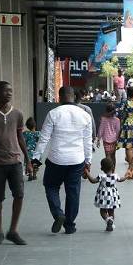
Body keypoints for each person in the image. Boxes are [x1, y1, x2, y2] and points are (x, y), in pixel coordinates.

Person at [32, 86, 93, 235]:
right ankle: (70, 225)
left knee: (51, 186)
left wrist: (36, 158)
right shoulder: (85, 115)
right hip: (77, 160)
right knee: (73, 192)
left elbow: (44, 138)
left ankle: (58, 214)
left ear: (60, 97)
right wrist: (88, 160)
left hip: (56, 159)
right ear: (74, 97)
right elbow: (88, 140)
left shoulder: (53, 114)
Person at [0, 81, 32, 245]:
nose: (9, 93)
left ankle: (13, 231)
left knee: (19, 195)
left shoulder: (17, 114)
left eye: (11, 90)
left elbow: (20, 137)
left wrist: (28, 160)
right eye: (5, 91)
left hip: (15, 161)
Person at [86, 157, 127, 232]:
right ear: (113, 167)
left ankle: (107, 220)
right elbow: (121, 179)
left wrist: (87, 173)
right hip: (112, 196)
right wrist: (126, 176)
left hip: (103, 196)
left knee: (102, 211)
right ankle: (111, 221)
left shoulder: (101, 176)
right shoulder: (115, 176)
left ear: (102, 168)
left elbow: (93, 180)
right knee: (111, 211)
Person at [97, 103, 120, 172]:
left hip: (106, 140)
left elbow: (101, 129)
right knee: (113, 156)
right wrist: (117, 140)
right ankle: (113, 171)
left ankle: (108, 171)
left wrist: (98, 139)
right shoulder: (117, 120)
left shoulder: (103, 119)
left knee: (108, 156)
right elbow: (118, 130)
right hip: (114, 140)